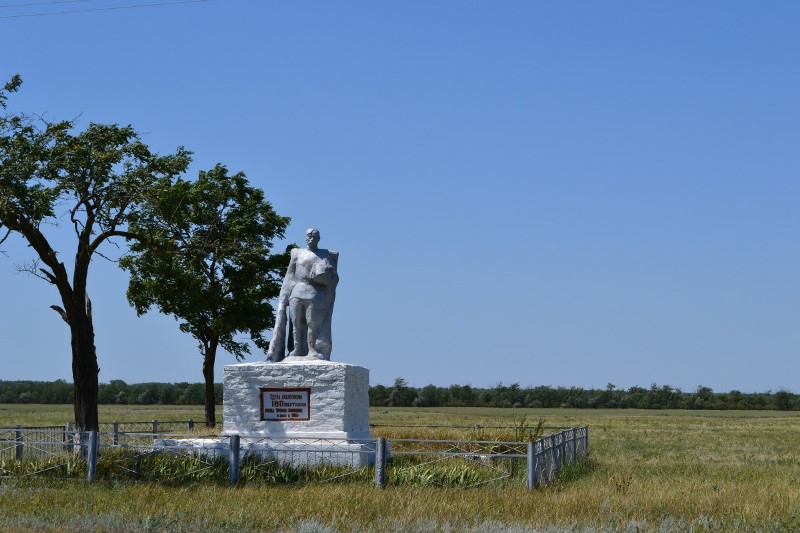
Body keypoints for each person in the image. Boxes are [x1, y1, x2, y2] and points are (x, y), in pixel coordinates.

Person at [267, 228, 338, 361]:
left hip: (313, 294)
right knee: (296, 323)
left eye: (314, 237)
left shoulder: (326, 254)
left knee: (312, 323)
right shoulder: (296, 253)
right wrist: (284, 297)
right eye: (309, 236)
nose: (311, 239)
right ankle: (297, 348)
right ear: (305, 237)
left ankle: (312, 349)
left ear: (319, 238)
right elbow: (289, 276)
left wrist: (324, 277)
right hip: (296, 292)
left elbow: (333, 278)